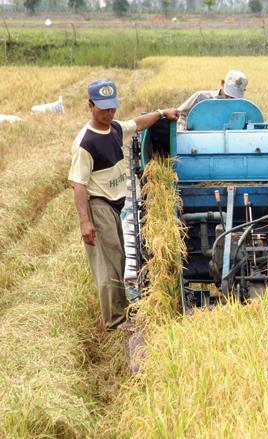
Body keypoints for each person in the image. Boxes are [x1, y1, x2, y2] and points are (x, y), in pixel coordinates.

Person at [68, 79, 179, 331]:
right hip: (99, 205)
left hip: (114, 206)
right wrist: (85, 222)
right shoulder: (85, 143)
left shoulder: (115, 129)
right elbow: (78, 185)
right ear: (90, 105)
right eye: (103, 109)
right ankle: (115, 321)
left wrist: (162, 113)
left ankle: (121, 312)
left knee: (117, 259)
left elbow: (138, 124)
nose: (108, 114)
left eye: (112, 108)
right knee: (108, 263)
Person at [177, 70, 248, 130]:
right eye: (227, 94)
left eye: (233, 97)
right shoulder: (201, 97)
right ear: (222, 83)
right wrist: (184, 130)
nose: (229, 98)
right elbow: (179, 114)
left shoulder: (242, 106)